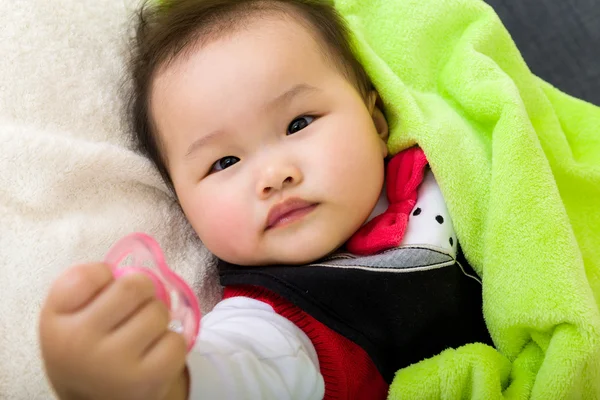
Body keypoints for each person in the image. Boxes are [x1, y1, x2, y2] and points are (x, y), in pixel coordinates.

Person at [39, 0, 491, 399]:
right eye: (225, 162)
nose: (274, 177)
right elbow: (240, 368)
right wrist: (160, 384)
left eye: (299, 124)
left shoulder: (448, 161)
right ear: (181, 204)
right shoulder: (282, 319)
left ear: (375, 121)